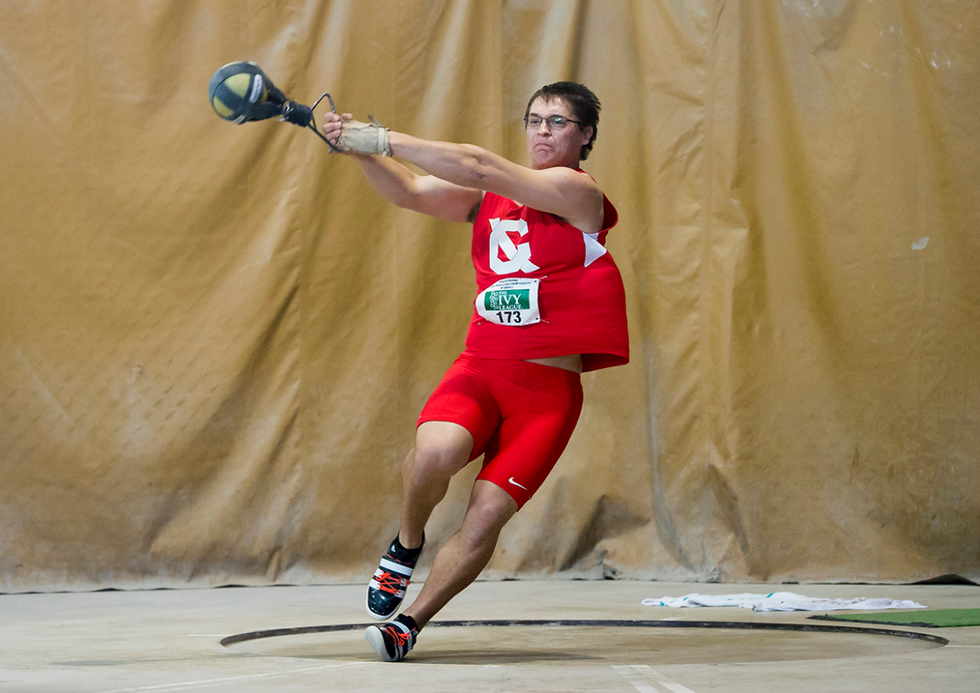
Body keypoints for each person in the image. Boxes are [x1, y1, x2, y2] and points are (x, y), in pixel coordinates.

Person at [321, 82, 629, 662]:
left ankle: (409, 623)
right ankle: (406, 544)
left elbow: (481, 165)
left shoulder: (577, 192)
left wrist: (382, 136)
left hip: (546, 393)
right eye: (534, 119)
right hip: (484, 369)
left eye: (558, 122)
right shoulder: (491, 201)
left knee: (486, 516)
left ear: (585, 136)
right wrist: (359, 151)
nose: (542, 131)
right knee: (434, 453)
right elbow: (410, 191)